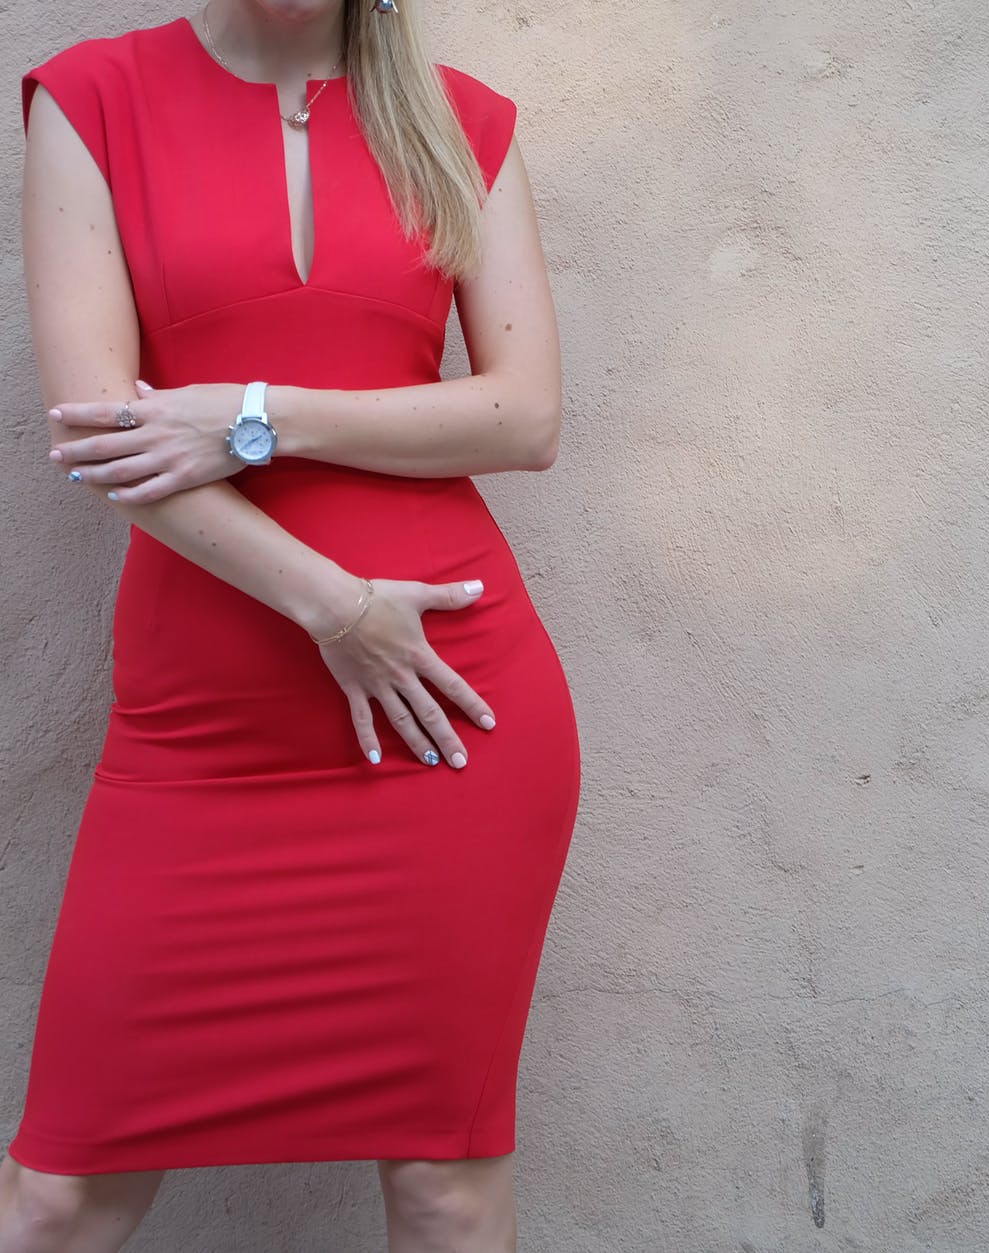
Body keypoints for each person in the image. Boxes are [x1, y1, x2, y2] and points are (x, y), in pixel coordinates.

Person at [2, 2, 581, 1249]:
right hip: (202, 734)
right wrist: (338, 605)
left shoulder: (461, 121)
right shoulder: (89, 101)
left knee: (443, 1181)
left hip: (447, 714)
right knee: (59, 1196)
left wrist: (258, 414)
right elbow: (99, 430)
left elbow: (525, 415)